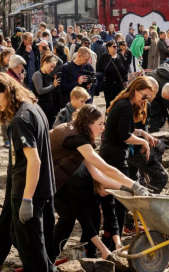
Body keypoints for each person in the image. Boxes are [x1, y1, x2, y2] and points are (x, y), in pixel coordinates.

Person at [51, 104, 147, 263]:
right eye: (100, 124)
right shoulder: (77, 141)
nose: (103, 128)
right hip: (51, 178)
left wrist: (125, 188)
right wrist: (135, 186)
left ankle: (70, 254)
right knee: (68, 217)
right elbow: (105, 168)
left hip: (57, 171)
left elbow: (98, 173)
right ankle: (45, 258)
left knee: (86, 215)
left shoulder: (81, 137)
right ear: (89, 123)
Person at [0, 72, 55, 272]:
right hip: (40, 188)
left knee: (33, 254)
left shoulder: (20, 120)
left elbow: (34, 161)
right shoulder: (34, 108)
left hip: (28, 191)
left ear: (7, 90)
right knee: (33, 245)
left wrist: (27, 200)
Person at [99, 77, 155, 241]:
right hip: (114, 155)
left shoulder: (124, 103)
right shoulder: (125, 106)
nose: (144, 100)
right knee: (119, 202)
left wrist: (142, 133)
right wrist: (143, 141)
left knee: (113, 199)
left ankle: (110, 237)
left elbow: (126, 129)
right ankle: (113, 238)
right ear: (135, 90)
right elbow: (124, 135)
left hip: (112, 153)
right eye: (144, 96)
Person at [96, 41, 127, 109]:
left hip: (119, 84)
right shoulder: (104, 57)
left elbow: (125, 68)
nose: (116, 48)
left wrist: (125, 79)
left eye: (116, 46)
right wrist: (101, 77)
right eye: (114, 46)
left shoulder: (120, 56)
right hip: (108, 85)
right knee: (110, 104)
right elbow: (98, 69)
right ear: (108, 48)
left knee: (120, 103)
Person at [32, 56, 60, 129]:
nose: (52, 69)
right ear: (45, 63)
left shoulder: (48, 75)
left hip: (49, 105)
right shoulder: (37, 75)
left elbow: (60, 62)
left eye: (53, 67)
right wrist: (53, 86)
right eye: (51, 66)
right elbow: (40, 91)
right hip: (41, 106)